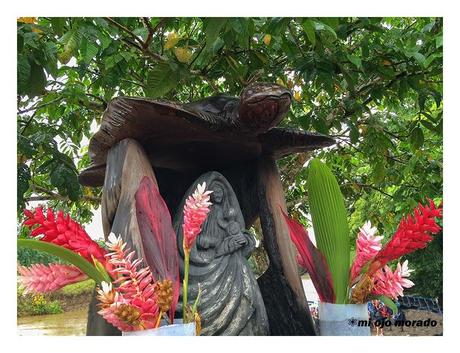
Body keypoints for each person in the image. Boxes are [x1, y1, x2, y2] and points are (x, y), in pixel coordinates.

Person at [174, 171, 269, 335]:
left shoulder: (223, 213)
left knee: (244, 284)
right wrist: (212, 244)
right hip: (207, 260)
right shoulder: (205, 213)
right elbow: (196, 237)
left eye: (221, 192)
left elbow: (229, 228)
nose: (218, 195)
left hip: (228, 261)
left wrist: (240, 237)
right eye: (215, 192)